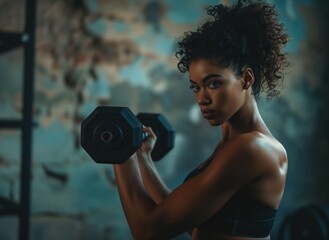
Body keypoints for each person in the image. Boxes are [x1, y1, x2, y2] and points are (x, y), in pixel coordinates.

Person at [113, 0, 289, 239]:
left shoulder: (251, 148)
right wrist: (142, 157)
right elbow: (188, 219)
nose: (202, 99)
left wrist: (119, 151)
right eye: (196, 87)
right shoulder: (233, 144)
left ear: (246, 79)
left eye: (214, 84)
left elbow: (147, 230)